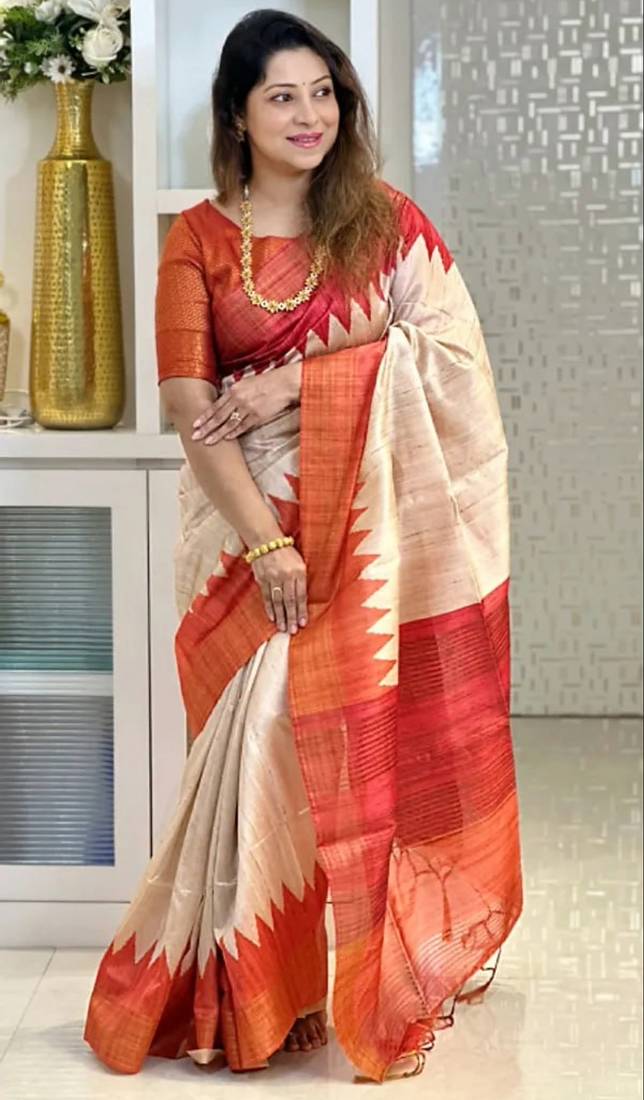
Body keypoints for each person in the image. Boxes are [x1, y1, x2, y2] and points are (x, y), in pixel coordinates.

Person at [83, 7, 523, 1083]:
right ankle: (249, 996)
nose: (309, 114)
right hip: (247, 541)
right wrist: (266, 544)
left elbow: (453, 360)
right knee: (256, 754)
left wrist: (298, 380)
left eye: (323, 93)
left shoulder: (386, 225)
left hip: (366, 536)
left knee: (330, 743)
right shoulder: (197, 240)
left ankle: (348, 973)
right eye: (282, 96)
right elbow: (190, 406)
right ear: (237, 116)